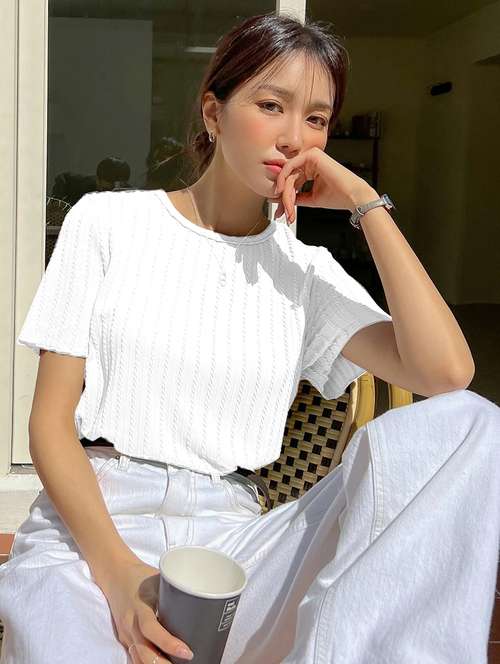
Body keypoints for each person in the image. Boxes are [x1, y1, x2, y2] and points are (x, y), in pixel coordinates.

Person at [1, 11, 499, 664]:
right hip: (91, 526)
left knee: (471, 425)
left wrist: (364, 202)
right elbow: (49, 423)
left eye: (316, 118)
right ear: (214, 113)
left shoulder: (305, 273)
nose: (294, 138)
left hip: (234, 541)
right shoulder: (108, 224)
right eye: (271, 105)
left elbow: (447, 374)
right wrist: (119, 576)